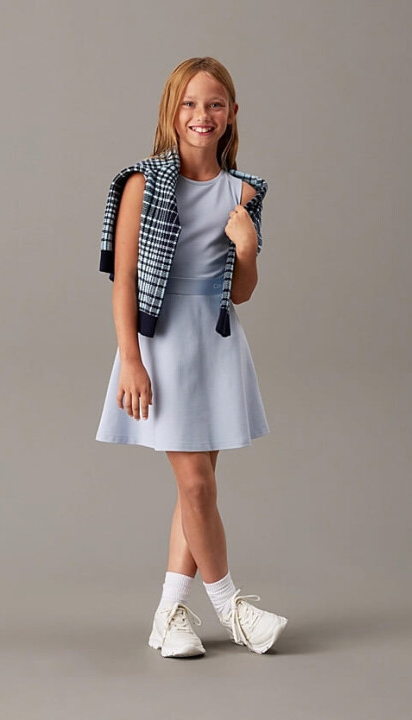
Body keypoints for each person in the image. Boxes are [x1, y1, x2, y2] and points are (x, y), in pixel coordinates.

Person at [95, 57, 288, 658]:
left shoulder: (244, 192)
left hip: (218, 345)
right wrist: (131, 359)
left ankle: (169, 614)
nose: (202, 115)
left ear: (232, 114)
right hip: (162, 345)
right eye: (189, 104)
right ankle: (232, 608)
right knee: (198, 485)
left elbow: (241, 291)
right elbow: (123, 281)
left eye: (214, 104)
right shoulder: (143, 183)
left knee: (196, 489)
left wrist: (247, 247)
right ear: (171, 112)